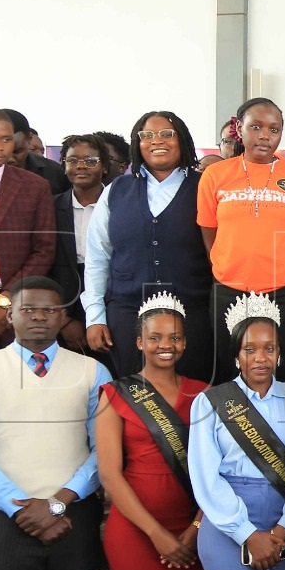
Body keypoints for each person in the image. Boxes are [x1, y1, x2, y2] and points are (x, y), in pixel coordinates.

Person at [0, 277, 110, 570]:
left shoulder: (93, 372)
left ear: (62, 317)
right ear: (10, 315)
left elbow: (104, 450)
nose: (39, 316)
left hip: (74, 516)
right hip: (5, 520)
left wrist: (56, 503)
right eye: (28, 308)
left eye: (50, 309)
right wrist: (22, 509)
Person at [188, 293, 285, 570]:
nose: (260, 358)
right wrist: (247, 534)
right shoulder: (210, 402)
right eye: (250, 349)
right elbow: (205, 476)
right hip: (228, 525)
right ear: (237, 355)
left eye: (269, 348)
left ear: (279, 353)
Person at [83, 110, 214, 383]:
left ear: (183, 140)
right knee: (132, 397)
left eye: (167, 134)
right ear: (137, 143)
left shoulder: (205, 187)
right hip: (128, 316)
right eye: (147, 135)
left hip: (192, 316)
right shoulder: (116, 190)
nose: (157, 141)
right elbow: (98, 257)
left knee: (190, 396)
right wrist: (95, 317)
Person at [94, 293, 207, 570]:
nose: (165, 344)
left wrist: (196, 528)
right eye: (155, 337)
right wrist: (156, 534)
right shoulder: (116, 394)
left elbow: (218, 472)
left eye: (175, 337)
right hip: (135, 530)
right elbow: (109, 474)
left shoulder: (205, 395)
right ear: (140, 342)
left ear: (184, 343)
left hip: (191, 531)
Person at [197, 98, 285, 384]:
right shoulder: (215, 175)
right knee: (231, 369)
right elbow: (208, 230)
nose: (265, 135)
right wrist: (227, 264)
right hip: (230, 289)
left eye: (274, 129)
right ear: (239, 129)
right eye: (256, 127)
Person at [0, 106, 55, 365]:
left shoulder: (35, 187)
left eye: (5, 139)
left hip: (16, 319)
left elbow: (44, 249)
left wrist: (4, 300)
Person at [51, 136, 107, 354]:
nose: (81, 166)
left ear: (104, 166)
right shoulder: (50, 206)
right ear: (64, 165)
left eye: (91, 160)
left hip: (109, 305)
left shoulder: (119, 204)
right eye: (73, 160)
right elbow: (44, 263)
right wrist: (63, 320)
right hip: (61, 307)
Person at [3, 109, 70, 195]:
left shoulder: (56, 174)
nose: (10, 159)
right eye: (4, 151)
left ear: (29, 138)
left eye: (17, 151)